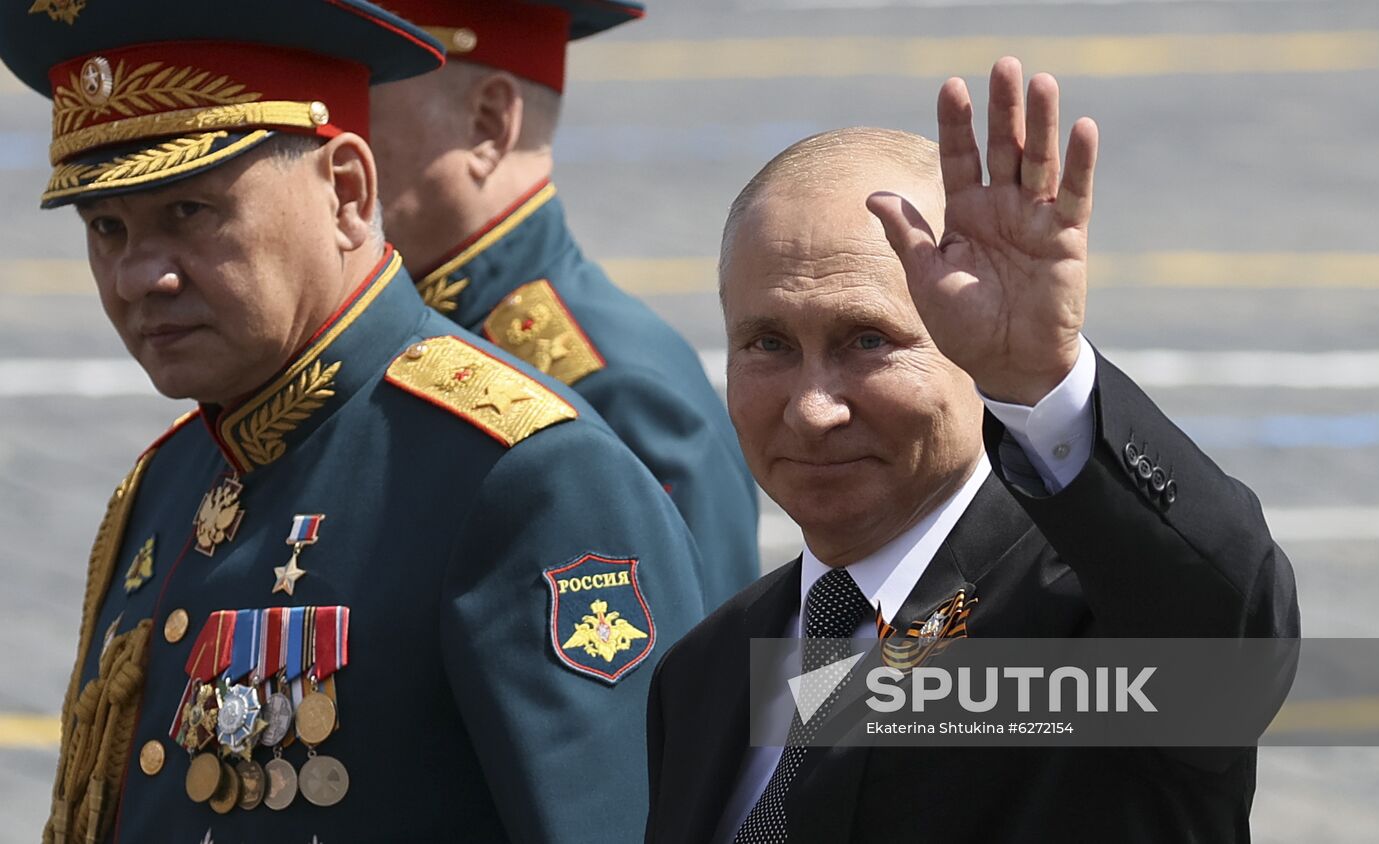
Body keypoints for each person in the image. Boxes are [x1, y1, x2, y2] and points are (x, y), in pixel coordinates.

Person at [1, 2, 706, 841]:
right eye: (107, 228)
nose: (136, 276)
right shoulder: (168, 482)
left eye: (190, 213)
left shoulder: (522, 476)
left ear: (346, 192)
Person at [645, 59, 1300, 843]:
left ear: (968, 341)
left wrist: (1043, 380)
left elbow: (1227, 628)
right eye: (768, 343)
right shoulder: (706, 673)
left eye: (868, 341)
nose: (813, 408)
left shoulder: (1083, 619)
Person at [369, 0, 760, 611]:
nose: (333, 136)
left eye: (363, 91)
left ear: (489, 121)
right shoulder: (426, 332)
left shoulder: (611, 389)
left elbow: (699, 686)